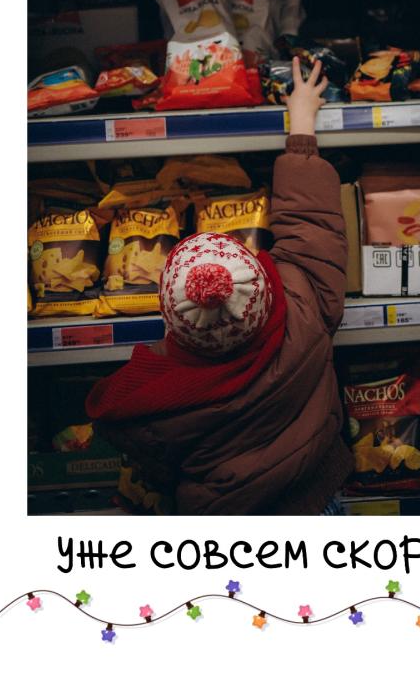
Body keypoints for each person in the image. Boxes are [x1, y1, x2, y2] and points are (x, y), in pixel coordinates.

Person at [86, 57, 353, 514]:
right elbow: (309, 222)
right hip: (316, 495)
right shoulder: (306, 302)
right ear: (262, 285)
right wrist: (302, 122)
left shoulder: (158, 400)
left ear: (171, 317)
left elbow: (139, 446)